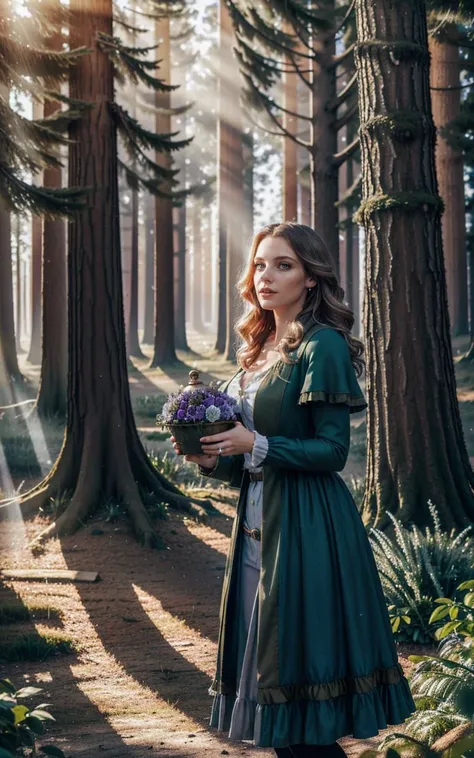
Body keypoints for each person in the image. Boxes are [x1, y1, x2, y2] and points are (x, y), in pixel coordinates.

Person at [170, 222, 416, 757]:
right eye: (261, 264)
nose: (267, 276)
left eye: (284, 265)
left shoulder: (321, 345)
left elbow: (332, 452)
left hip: (308, 529)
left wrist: (254, 443)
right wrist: (211, 457)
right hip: (256, 530)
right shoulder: (256, 354)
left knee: (303, 714)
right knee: (276, 704)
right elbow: (248, 459)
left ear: (310, 279)